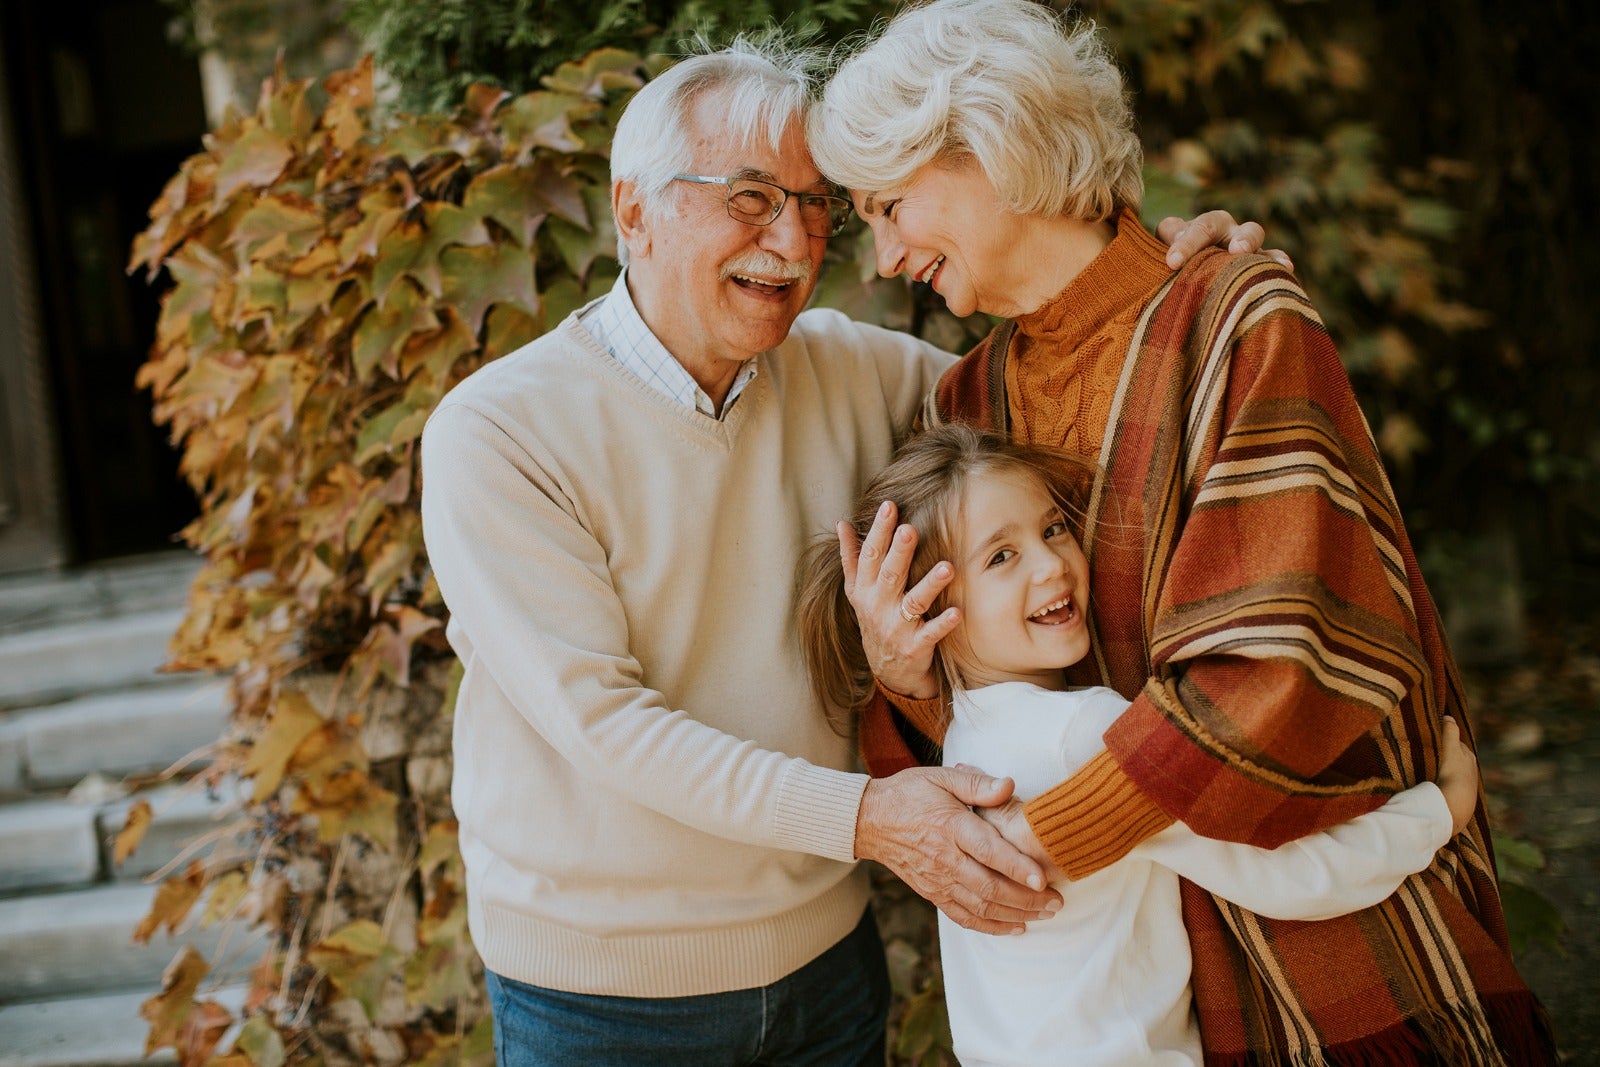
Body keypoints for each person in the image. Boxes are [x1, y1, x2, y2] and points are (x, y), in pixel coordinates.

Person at [420, 33, 1273, 1067]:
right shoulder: (497, 433)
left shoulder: (853, 371)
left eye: (815, 204)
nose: (792, 240)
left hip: (827, 966)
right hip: (604, 998)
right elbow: (604, 722)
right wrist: (870, 817)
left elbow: (1071, 384)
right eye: (749, 198)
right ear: (633, 209)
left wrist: (1170, 284)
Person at [806, 1, 1557, 1062]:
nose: (883, 257)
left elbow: (1276, 667)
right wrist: (907, 672)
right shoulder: (966, 402)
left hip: (1319, 921)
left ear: (988, 143)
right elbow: (986, 722)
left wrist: (1042, 831)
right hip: (1124, 977)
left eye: (890, 206)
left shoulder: (1240, 320)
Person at [796, 424, 1484, 1067]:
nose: (1052, 563)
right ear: (926, 608)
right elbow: (1284, 874)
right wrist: (1437, 814)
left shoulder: (963, 739)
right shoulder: (1081, 730)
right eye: (1001, 556)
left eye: (1054, 527)